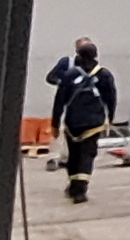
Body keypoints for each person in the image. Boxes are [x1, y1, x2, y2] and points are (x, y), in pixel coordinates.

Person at [45, 38, 118, 202]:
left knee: (74, 155)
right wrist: (110, 118)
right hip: (94, 123)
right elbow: (111, 98)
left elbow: (59, 100)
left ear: (78, 55)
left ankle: (73, 185)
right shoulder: (104, 75)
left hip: (72, 123)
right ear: (96, 55)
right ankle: (80, 190)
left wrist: (55, 123)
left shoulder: (70, 75)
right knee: (87, 155)